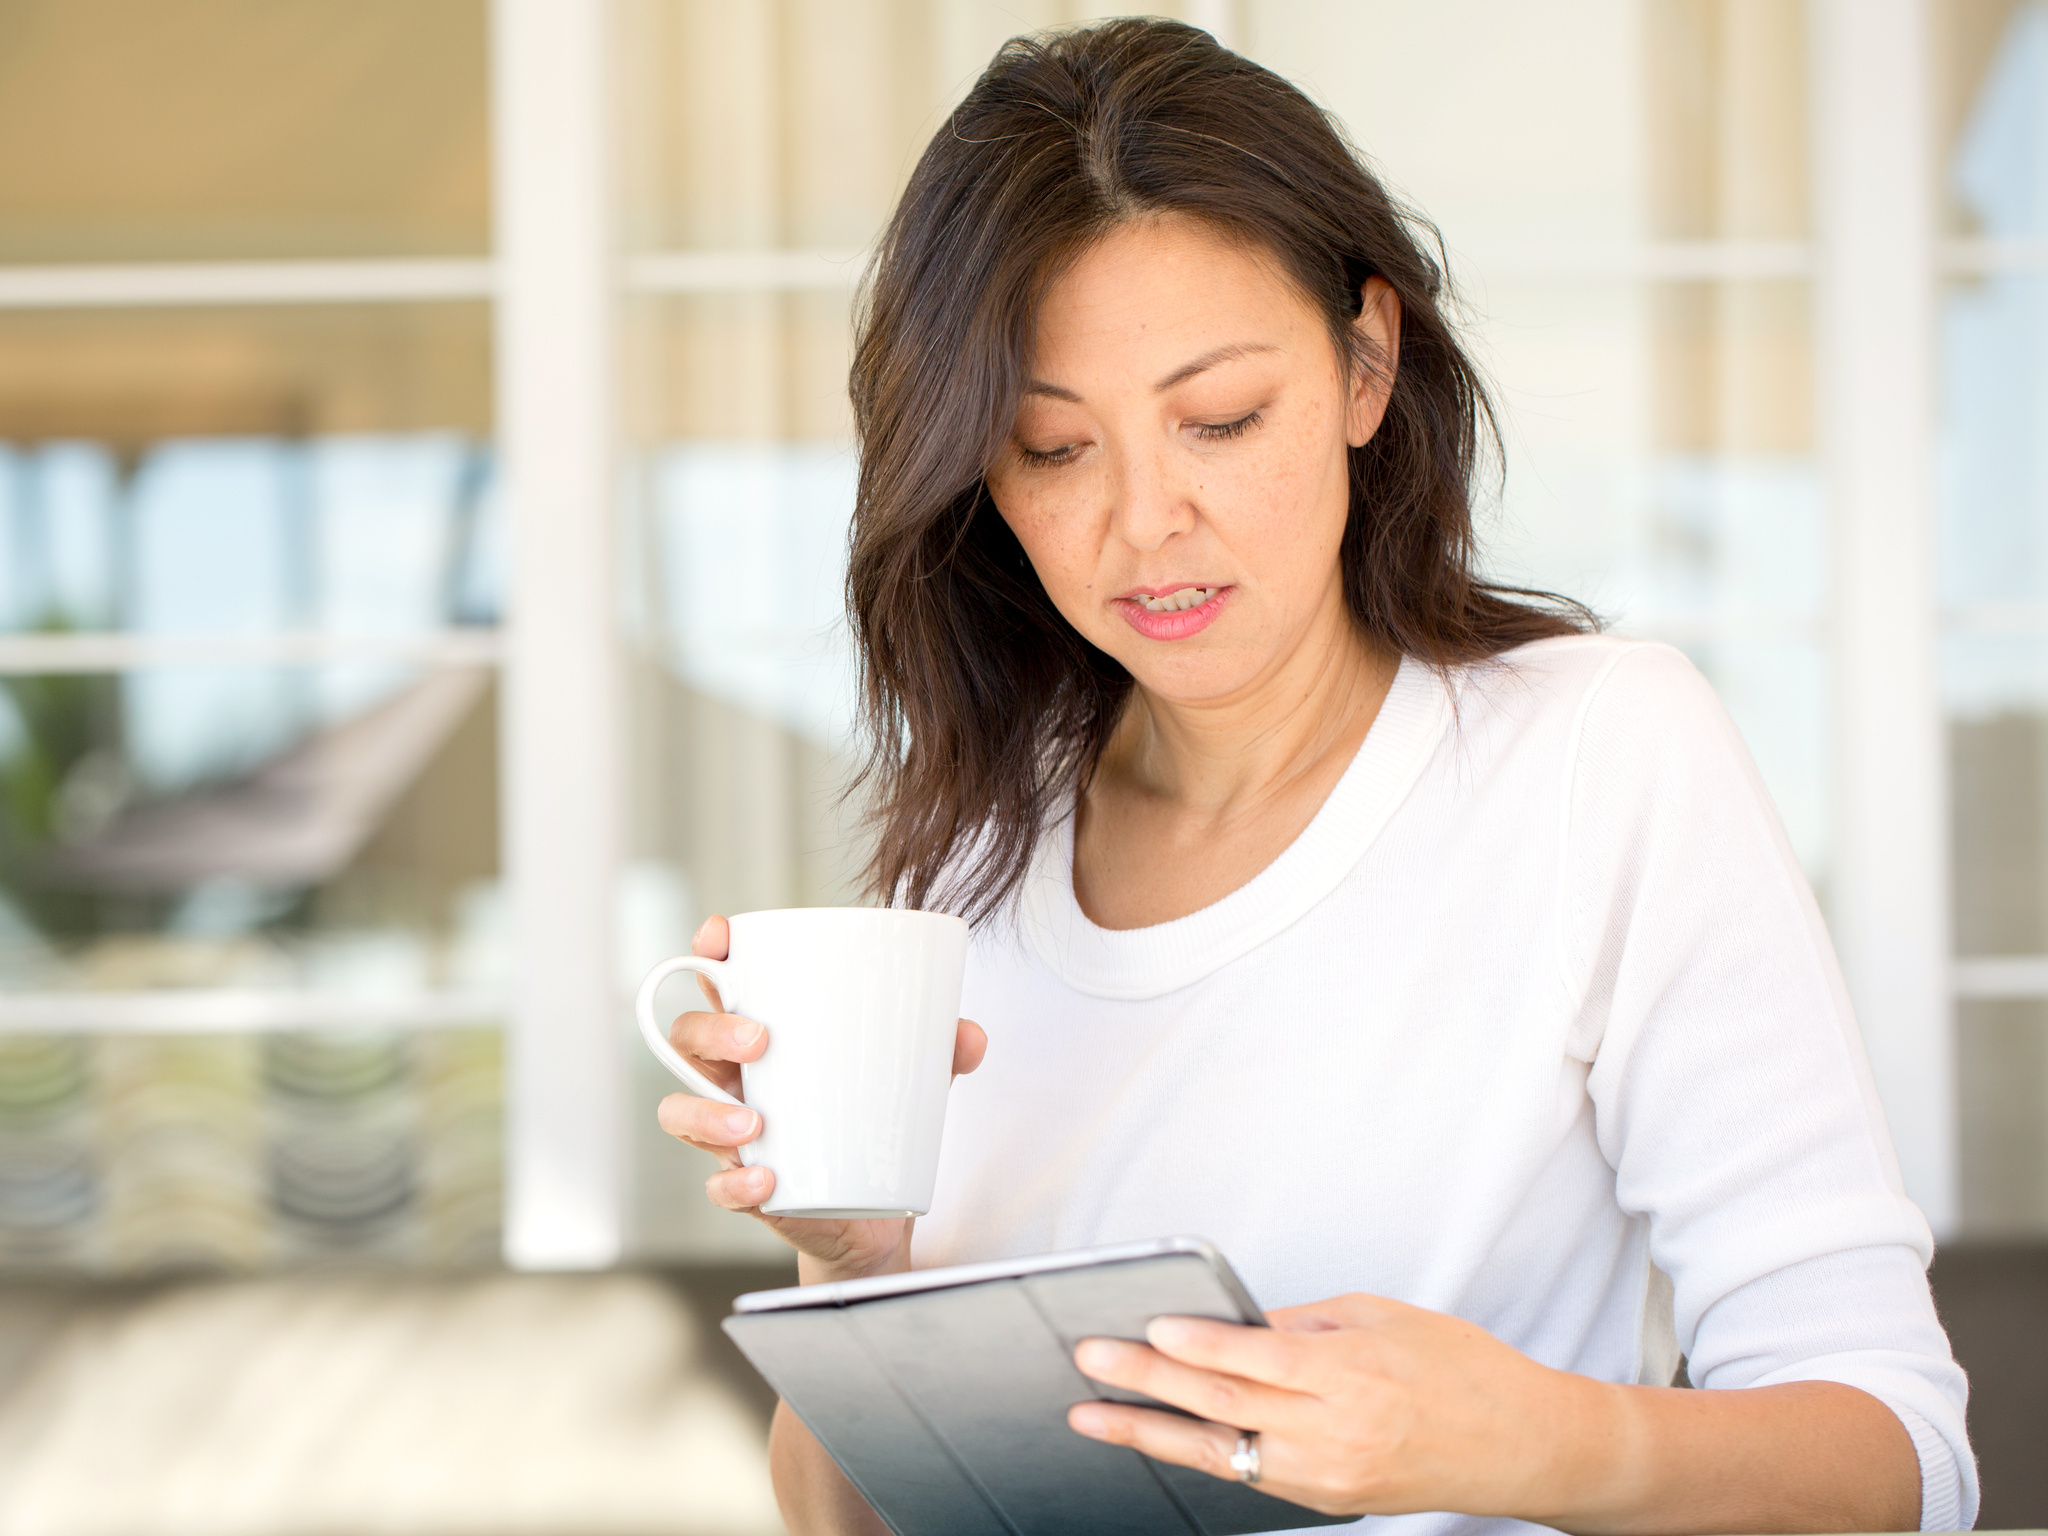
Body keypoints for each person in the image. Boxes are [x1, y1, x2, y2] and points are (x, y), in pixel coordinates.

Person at [653, 18, 1975, 1536]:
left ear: (1365, 363)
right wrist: (850, 1265)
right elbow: (851, 1525)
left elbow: (1904, 1468)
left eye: (1221, 421)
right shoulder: (974, 865)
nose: (1148, 521)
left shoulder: (1593, 757)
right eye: (1052, 449)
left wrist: (1528, 1443)